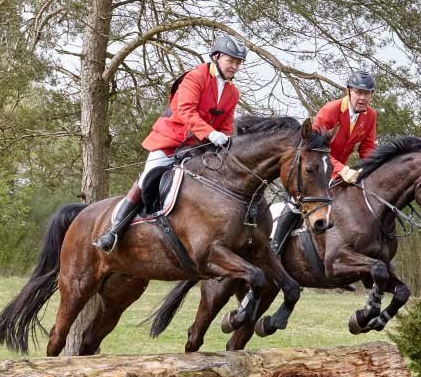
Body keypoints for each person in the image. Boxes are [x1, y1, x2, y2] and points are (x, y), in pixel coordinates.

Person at [94, 35, 247, 253]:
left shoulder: (233, 92)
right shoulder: (196, 77)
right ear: (216, 57)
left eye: (238, 63)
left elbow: (226, 124)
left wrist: (224, 138)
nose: (234, 66)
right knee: (147, 177)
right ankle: (114, 230)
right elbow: (185, 110)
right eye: (230, 61)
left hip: (199, 148)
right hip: (172, 140)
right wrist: (210, 133)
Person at [271, 70, 378, 254]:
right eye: (358, 92)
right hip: (317, 169)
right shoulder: (331, 110)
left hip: (340, 171)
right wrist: (342, 169)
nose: (362, 98)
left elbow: (367, 148)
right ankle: (276, 246)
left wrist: (371, 169)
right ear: (348, 91)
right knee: (296, 203)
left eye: (366, 93)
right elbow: (312, 148)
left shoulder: (370, 115)